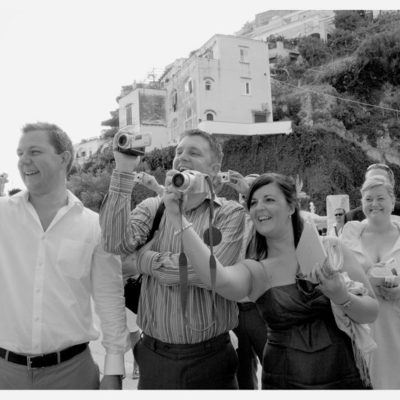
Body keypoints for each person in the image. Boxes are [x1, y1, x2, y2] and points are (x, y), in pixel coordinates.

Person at [162, 172, 379, 389]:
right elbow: (217, 278)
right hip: (284, 380)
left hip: (345, 376)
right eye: (253, 202)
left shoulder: (332, 249)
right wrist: (177, 218)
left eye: (269, 200)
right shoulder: (257, 270)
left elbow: (371, 312)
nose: (259, 207)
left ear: (291, 207)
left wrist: (341, 295)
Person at [100, 128, 249, 389]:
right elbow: (114, 244)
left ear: (214, 169)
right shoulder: (152, 207)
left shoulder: (229, 213)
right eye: (179, 151)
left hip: (212, 358)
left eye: (194, 152)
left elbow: (211, 273)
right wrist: (123, 169)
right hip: (155, 357)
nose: (182, 157)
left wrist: (144, 260)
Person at [0, 122, 130, 390]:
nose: (24, 160)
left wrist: (113, 372)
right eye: (19, 153)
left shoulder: (94, 225)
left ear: (64, 158)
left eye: (34, 151)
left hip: (73, 375)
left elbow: (109, 298)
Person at [341, 175, 400, 389]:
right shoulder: (350, 233)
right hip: (363, 324)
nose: (374, 204)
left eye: (380, 198)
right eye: (368, 199)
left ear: (392, 202)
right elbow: (340, 274)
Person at [224, 171, 267, 389]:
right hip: (235, 309)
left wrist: (247, 191)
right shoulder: (230, 220)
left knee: (272, 367)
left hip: (261, 308)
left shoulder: (265, 221)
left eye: (251, 190)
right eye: (243, 191)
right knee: (242, 372)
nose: (245, 195)